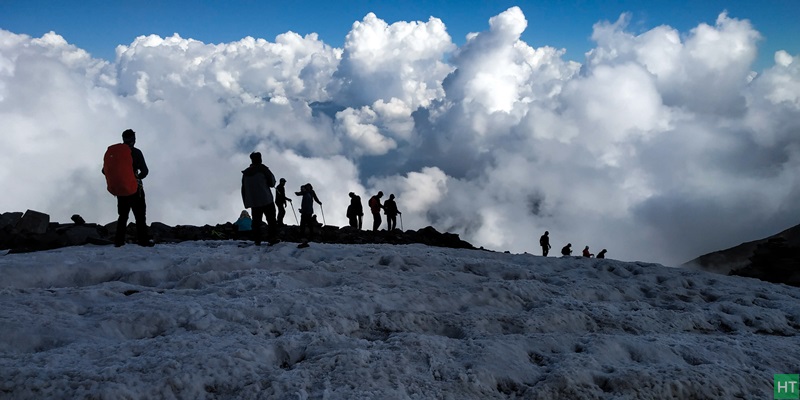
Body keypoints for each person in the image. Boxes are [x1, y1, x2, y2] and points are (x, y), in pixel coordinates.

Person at [104, 129, 152, 247]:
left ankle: (119, 242)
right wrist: (136, 178)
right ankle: (143, 241)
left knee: (123, 216)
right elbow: (145, 171)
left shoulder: (115, 154)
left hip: (121, 190)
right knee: (140, 216)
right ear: (134, 140)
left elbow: (104, 171)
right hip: (136, 190)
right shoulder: (136, 152)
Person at [241, 151, 278, 245]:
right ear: (260, 159)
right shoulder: (263, 169)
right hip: (266, 199)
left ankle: (257, 240)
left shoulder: (246, 173)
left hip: (254, 202)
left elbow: (243, 189)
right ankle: (272, 238)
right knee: (271, 220)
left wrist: (247, 202)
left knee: (256, 222)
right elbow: (272, 183)